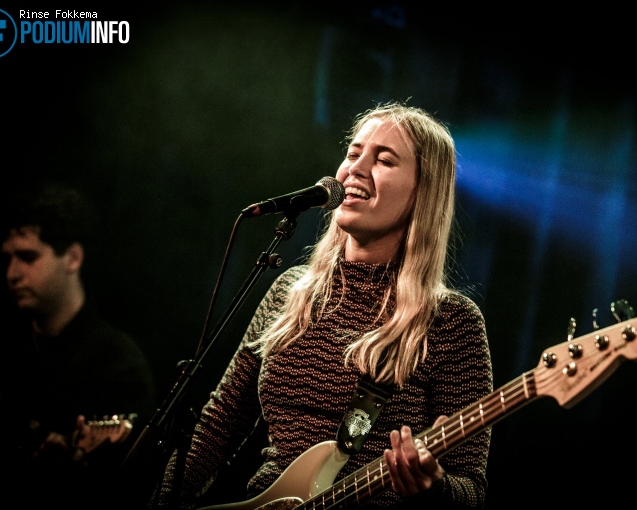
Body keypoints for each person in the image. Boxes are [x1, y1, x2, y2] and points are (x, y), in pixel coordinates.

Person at [146, 101, 493, 509]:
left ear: (423, 192)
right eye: (352, 154)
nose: (354, 170)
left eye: (383, 159)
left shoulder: (451, 323)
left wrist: (433, 487)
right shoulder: (290, 292)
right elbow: (217, 426)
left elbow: (471, 490)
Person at [0, 182, 158, 510]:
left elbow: (130, 485)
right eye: (8, 258)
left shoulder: (117, 363)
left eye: (28, 257)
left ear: (73, 258)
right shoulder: (5, 348)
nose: (12, 273)